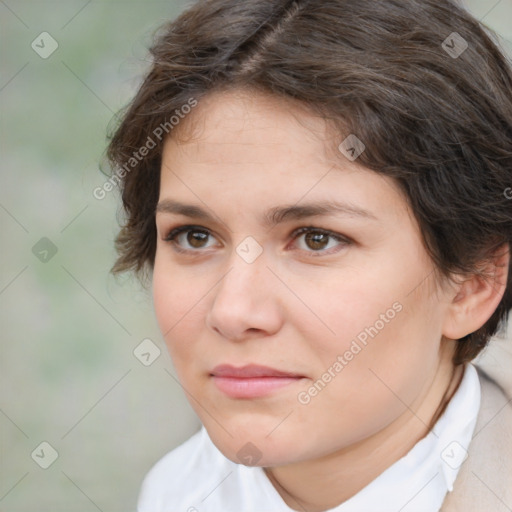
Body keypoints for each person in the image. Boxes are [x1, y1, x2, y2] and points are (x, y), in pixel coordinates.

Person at [105, 0, 512, 510]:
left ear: (474, 281)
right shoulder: (175, 491)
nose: (233, 313)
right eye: (195, 236)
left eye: (316, 238)